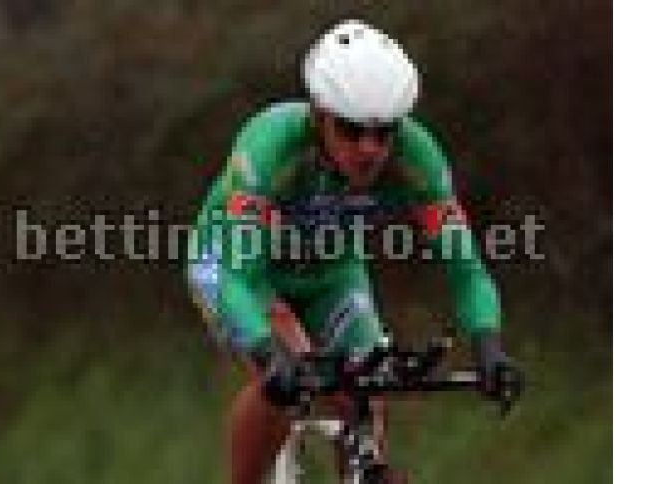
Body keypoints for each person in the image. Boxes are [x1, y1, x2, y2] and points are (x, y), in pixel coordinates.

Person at [186, 19, 519, 484]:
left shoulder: (417, 156)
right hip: (240, 270)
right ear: (319, 114)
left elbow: (466, 269)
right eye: (350, 130)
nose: (369, 149)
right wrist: (268, 355)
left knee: (367, 390)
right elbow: (237, 279)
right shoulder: (270, 147)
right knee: (289, 377)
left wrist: (488, 345)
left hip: (331, 272)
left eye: (384, 133)